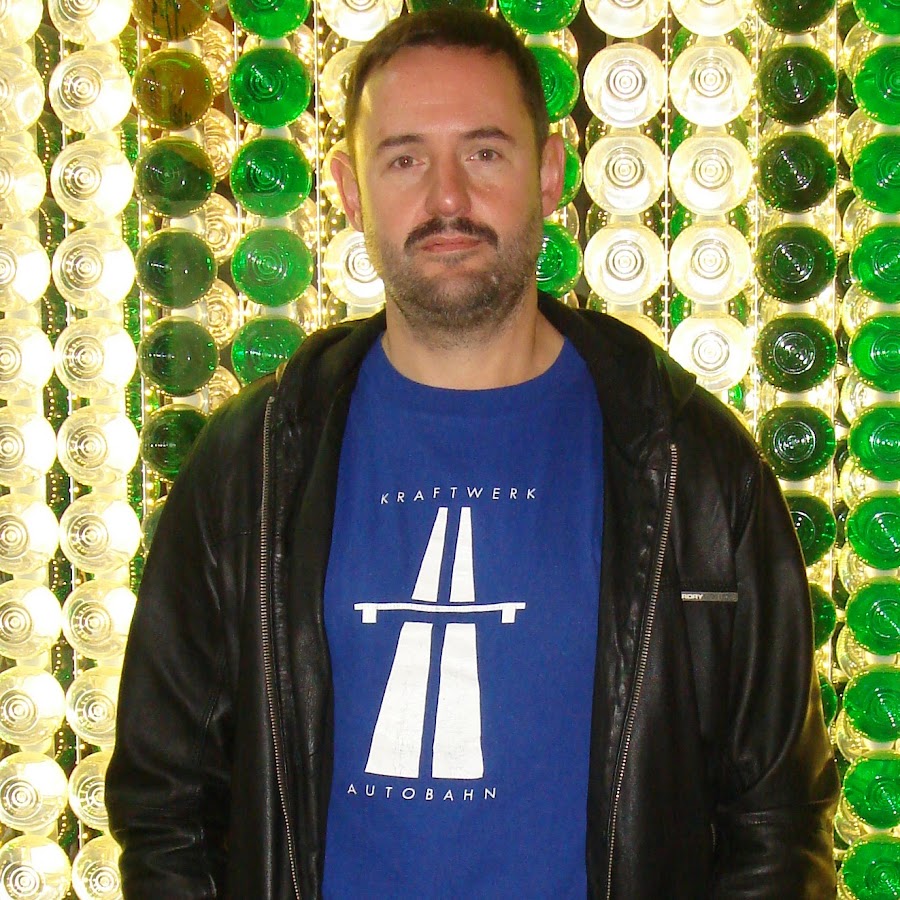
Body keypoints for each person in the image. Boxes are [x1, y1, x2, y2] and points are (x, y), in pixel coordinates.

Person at [106, 8, 839, 898]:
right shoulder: (252, 467)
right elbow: (165, 805)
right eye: (404, 159)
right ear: (349, 191)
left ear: (549, 174)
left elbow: (776, 820)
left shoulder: (693, 464)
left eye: (485, 152)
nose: (447, 198)